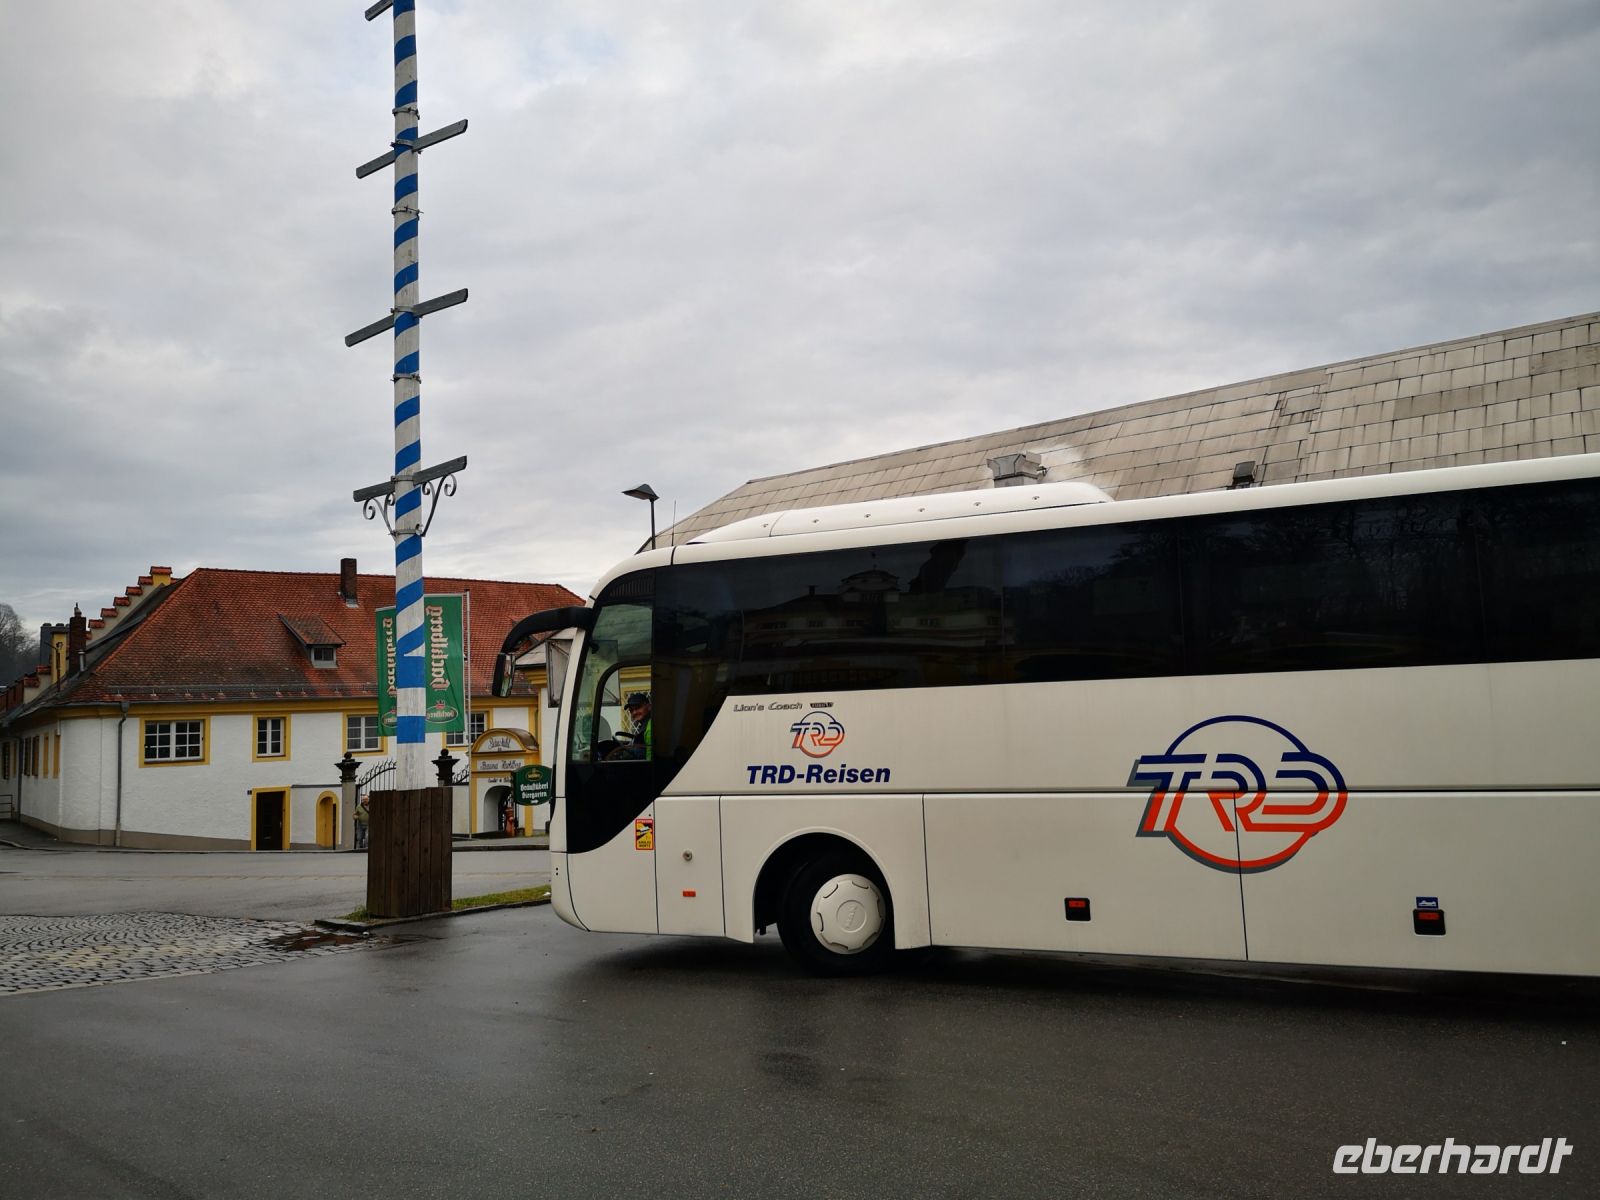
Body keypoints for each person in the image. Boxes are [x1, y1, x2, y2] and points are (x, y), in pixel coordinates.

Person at [614, 692, 652, 761]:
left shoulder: (650, 728)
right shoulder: (644, 724)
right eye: (631, 710)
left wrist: (624, 750)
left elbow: (649, 759)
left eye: (638, 707)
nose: (634, 712)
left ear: (649, 706)